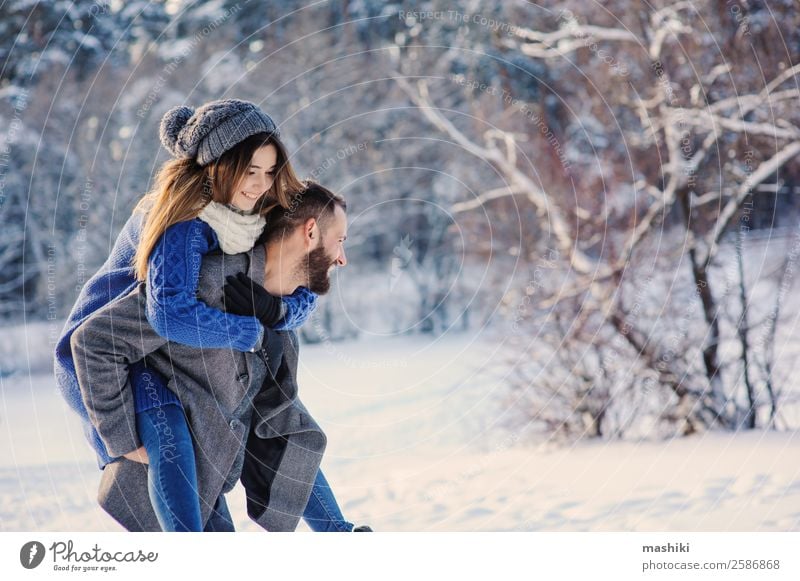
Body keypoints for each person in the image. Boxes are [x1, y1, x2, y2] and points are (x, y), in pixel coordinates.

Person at [56, 99, 363, 532]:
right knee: (172, 441)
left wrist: (281, 310)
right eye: (250, 170)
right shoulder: (184, 223)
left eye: (269, 171)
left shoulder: (250, 208)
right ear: (220, 165)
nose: (260, 184)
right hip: (115, 353)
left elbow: (305, 267)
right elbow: (167, 314)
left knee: (260, 421)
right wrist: (250, 331)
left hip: (173, 349)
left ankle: (338, 535)